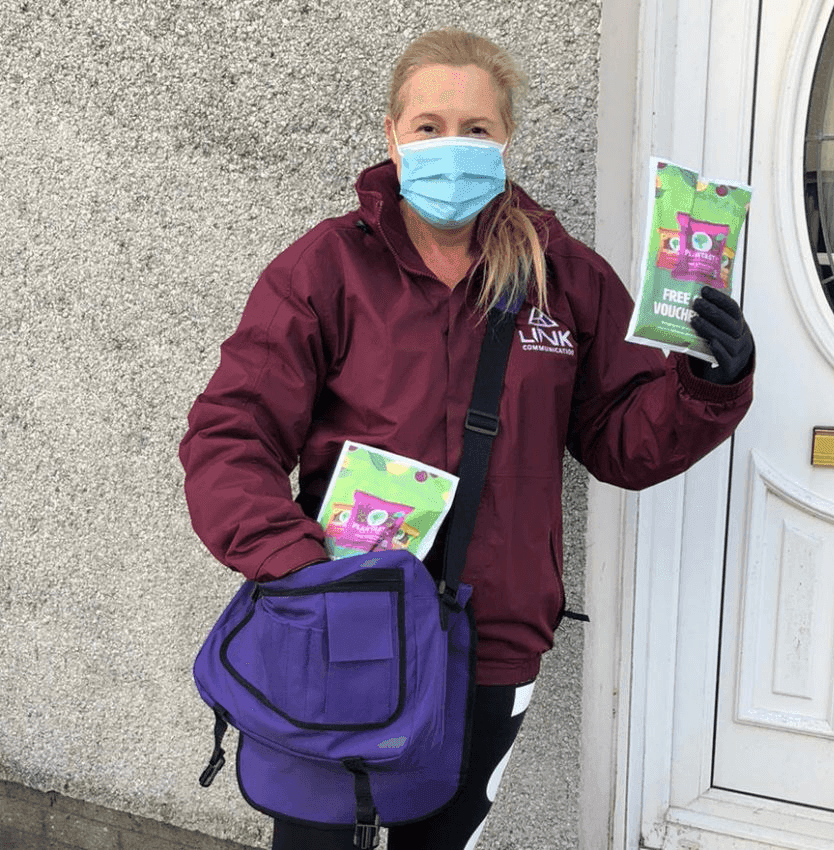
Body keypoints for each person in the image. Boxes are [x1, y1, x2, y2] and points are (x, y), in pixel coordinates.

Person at [179, 28, 754, 850]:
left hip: (493, 638)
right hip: (343, 627)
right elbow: (227, 436)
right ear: (392, 136)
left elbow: (621, 442)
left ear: (507, 141)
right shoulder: (324, 271)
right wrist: (298, 568)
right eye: (429, 125)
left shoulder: (567, 278)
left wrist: (709, 385)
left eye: (477, 129)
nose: (453, 146)